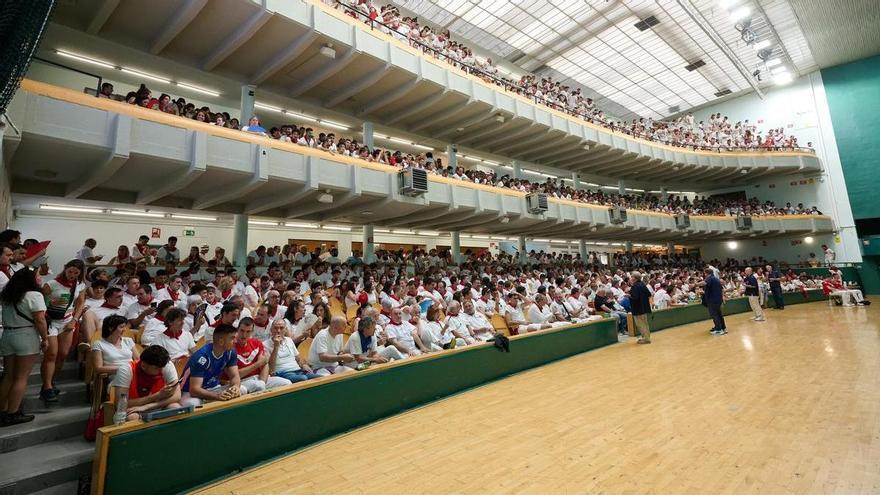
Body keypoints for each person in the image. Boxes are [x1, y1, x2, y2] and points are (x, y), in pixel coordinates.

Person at [0, 269, 48, 425]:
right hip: (26, 335)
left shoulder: (7, 295)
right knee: (21, 377)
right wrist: (45, 338)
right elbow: (40, 320)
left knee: (8, 376)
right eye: (37, 275)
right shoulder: (34, 295)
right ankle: (13, 413)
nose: (39, 278)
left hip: (8, 334)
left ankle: (2, 410)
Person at [41, 259, 86, 401]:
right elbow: (40, 301)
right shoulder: (52, 284)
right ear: (65, 268)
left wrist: (74, 320)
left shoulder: (80, 285)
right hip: (51, 321)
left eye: (76, 273)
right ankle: (47, 387)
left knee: (63, 354)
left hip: (67, 321)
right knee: (51, 354)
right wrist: (50, 305)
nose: (72, 275)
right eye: (70, 271)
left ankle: (51, 381)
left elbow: (80, 303)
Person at [110, 345, 181, 421]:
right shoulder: (126, 370)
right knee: (132, 417)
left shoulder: (165, 365)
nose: (160, 370)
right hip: (134, 409)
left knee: (175, 408)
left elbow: (177, 396)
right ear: (143, 365)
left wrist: (147, 406)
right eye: (156, 368)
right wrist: (157, 396)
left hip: (157, 405)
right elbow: (120, 404)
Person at [180, 323, 244, 407]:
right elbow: (194, 390)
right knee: (191, 404)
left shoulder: (231, 352)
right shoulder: (202, 357)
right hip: (190, 392)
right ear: (221, 341)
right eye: (232, 338)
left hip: (214, 388)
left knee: (242, 389)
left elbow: (234, 376)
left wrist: (235, 386)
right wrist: (216, 396)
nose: (236, 341)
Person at [234, 318, 290, 393]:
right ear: (237, 330)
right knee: (258, 386)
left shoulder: (257, 343)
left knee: (287, 383)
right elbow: (235, 375)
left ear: (252, 332)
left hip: (259, 378)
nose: (244, 335)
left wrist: (263, 382)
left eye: (248, 331)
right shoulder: (231, 347)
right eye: (242, 331)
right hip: (243, 380)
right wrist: (258, 364)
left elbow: (264, 364)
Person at [629, 272, 652, 344]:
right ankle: (646, 337)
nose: (631, 278)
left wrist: (629, 296)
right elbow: (649, 294)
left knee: (640, 324)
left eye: (632, 277)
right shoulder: (642, 284)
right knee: (645, 323)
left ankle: (646, 339)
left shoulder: (635, 286)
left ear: (635, 278)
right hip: (644, 307)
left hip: (638, 308)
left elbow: (635, 297)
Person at [702, 267, 726, 335]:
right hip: (717, 299)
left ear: (706, 273)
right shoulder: (716, 279)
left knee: (714, 314)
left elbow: (704, 283)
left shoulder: (710, 278)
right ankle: (722, 327)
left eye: (705, 273)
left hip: (712, 300)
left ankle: (719, 329)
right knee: (719, 314)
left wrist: (695, 284)